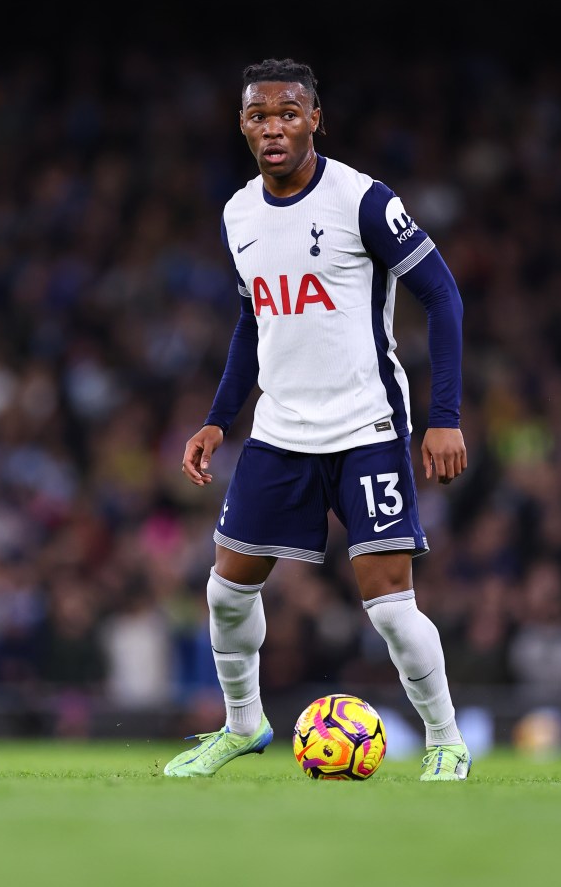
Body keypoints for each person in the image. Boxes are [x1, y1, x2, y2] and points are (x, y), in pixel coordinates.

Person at [164, 58, 471, 782]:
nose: (274, 127)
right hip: (280, 433)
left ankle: (447, 741)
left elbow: (444, 296)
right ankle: (243, 725)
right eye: (258, 115)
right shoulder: (238, 212)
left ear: (315, 119)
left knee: (390, 606)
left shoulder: (361, 199)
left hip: (365, 427)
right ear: (243, 126)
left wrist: (445, 415)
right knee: (226, 589)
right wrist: (218, 418)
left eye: (288, 112)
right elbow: (252, 321)